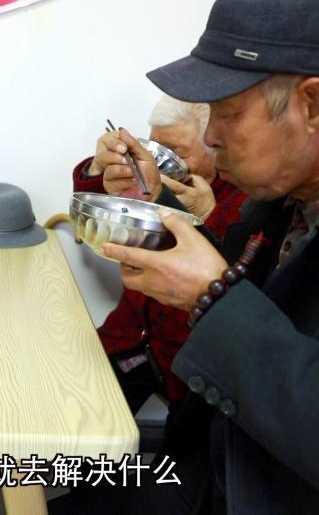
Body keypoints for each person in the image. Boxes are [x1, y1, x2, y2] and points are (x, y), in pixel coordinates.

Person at [100, 0, 319, 514]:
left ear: (314, 105)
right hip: (210, 470)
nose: (210, 138)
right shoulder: (294, 188)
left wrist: (213, 298)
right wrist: (158, 203)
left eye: (228, 113)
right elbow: (251, 289)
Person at [73, 95, 246, 412]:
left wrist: (206, 215)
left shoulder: (243, 195)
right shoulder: (149, 177)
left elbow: (239, 285)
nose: (160, 162)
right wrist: (98, 170)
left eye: (177, 152)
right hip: (127, 335)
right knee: (71, 401)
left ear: (215, 147)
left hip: (184, 361)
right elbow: (103, 220)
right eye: (156, 148)